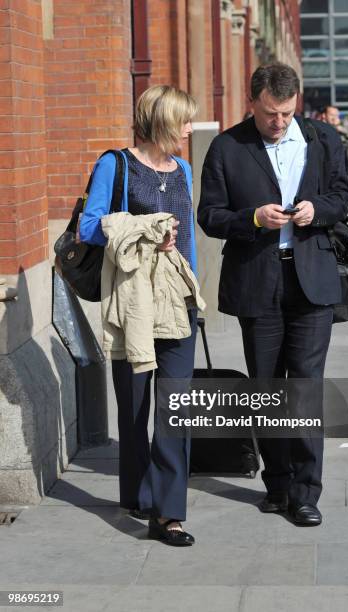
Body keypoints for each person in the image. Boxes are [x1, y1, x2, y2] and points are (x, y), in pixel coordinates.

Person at [198, 62, 348, 526]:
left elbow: (341, 195)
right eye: (270, 114)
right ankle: (278, 484)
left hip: (312, 281)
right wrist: (253, 219)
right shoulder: (228, 146)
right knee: (267, 386)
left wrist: (316, 210)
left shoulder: (324, 140)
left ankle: (306, 492)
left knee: (303, 387)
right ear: (253, 103)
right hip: (256, 281)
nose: (279, 122)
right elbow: (209, 214)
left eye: (286, 113)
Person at [79, 85, 199, 546]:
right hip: (133, 304)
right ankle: (137, 492)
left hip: (177, 305)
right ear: (163, 121)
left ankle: (169, 514)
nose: (190, 129)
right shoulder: (117, 164)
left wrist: (194, 296)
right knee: (133, 409)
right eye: (184, 121)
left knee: (176, 409)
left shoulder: (184, 168)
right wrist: (145, 230)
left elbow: (186, 239)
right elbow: (90, 226)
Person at [320, 105, 348, 175]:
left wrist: (340, 128)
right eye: (331, 115)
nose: (334, 117)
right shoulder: (319, 125)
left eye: (336, 115)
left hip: (341, 155)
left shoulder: (344, 124)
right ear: (324, 115)